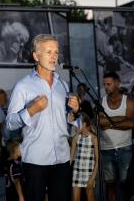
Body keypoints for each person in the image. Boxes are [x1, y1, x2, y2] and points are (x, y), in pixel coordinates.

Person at [6, 34, 80, 201]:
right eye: (48, 52)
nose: (54, 56)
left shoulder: (63, 84)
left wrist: (74, 112)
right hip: (35, 160)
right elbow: (10, 123)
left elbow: (67, 121)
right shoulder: (23, 86)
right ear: (36, 56)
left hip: (62, 158)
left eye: (56, 52)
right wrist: (31, 110)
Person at [99, 71, 134, 201]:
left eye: (109, 84)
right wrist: (120, 119)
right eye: (105, 84)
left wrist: (109, 122)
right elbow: (99, 122)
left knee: (125, 184)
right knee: (110, 185)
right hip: (106, 149)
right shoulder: (101, 102)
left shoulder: (128, 101)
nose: (106, 87)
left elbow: (131, 123)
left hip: (124, 148)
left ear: (117, 83)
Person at [70, 113, 99, 201]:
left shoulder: (94, 138)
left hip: (89, 172)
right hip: (76, 171)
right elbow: (70, 159)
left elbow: (97, 160)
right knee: (76, 199)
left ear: (84, 124)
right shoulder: (76, 138)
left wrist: (93, 177)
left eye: (77, 123)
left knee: (90, 198)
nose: (75, 126)